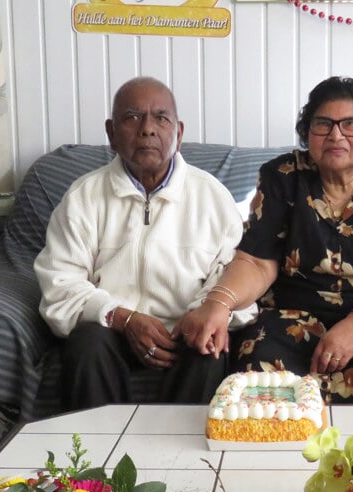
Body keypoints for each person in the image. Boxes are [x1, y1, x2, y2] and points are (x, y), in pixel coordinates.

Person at [180, 76, 353, 405]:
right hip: (288, 320)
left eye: (350, 124)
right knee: (258, 365)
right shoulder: (282, 177)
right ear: (307, 132)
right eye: (323, 124)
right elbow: (257, 261)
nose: (336, 135)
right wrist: (220, 302)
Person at [34, 77, 255, 409]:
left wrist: (203, 315)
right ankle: (97, 458)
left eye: (161, 118)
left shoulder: (212, 197)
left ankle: (179, 461)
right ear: (111, 132)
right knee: (87, 344)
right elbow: (59, 286)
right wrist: (123, 319)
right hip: (111, 330)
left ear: (178, 133)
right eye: (132, 117)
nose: (147, 129)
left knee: (209, 349)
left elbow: (234, 277)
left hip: (188, 329)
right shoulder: (84, 197)